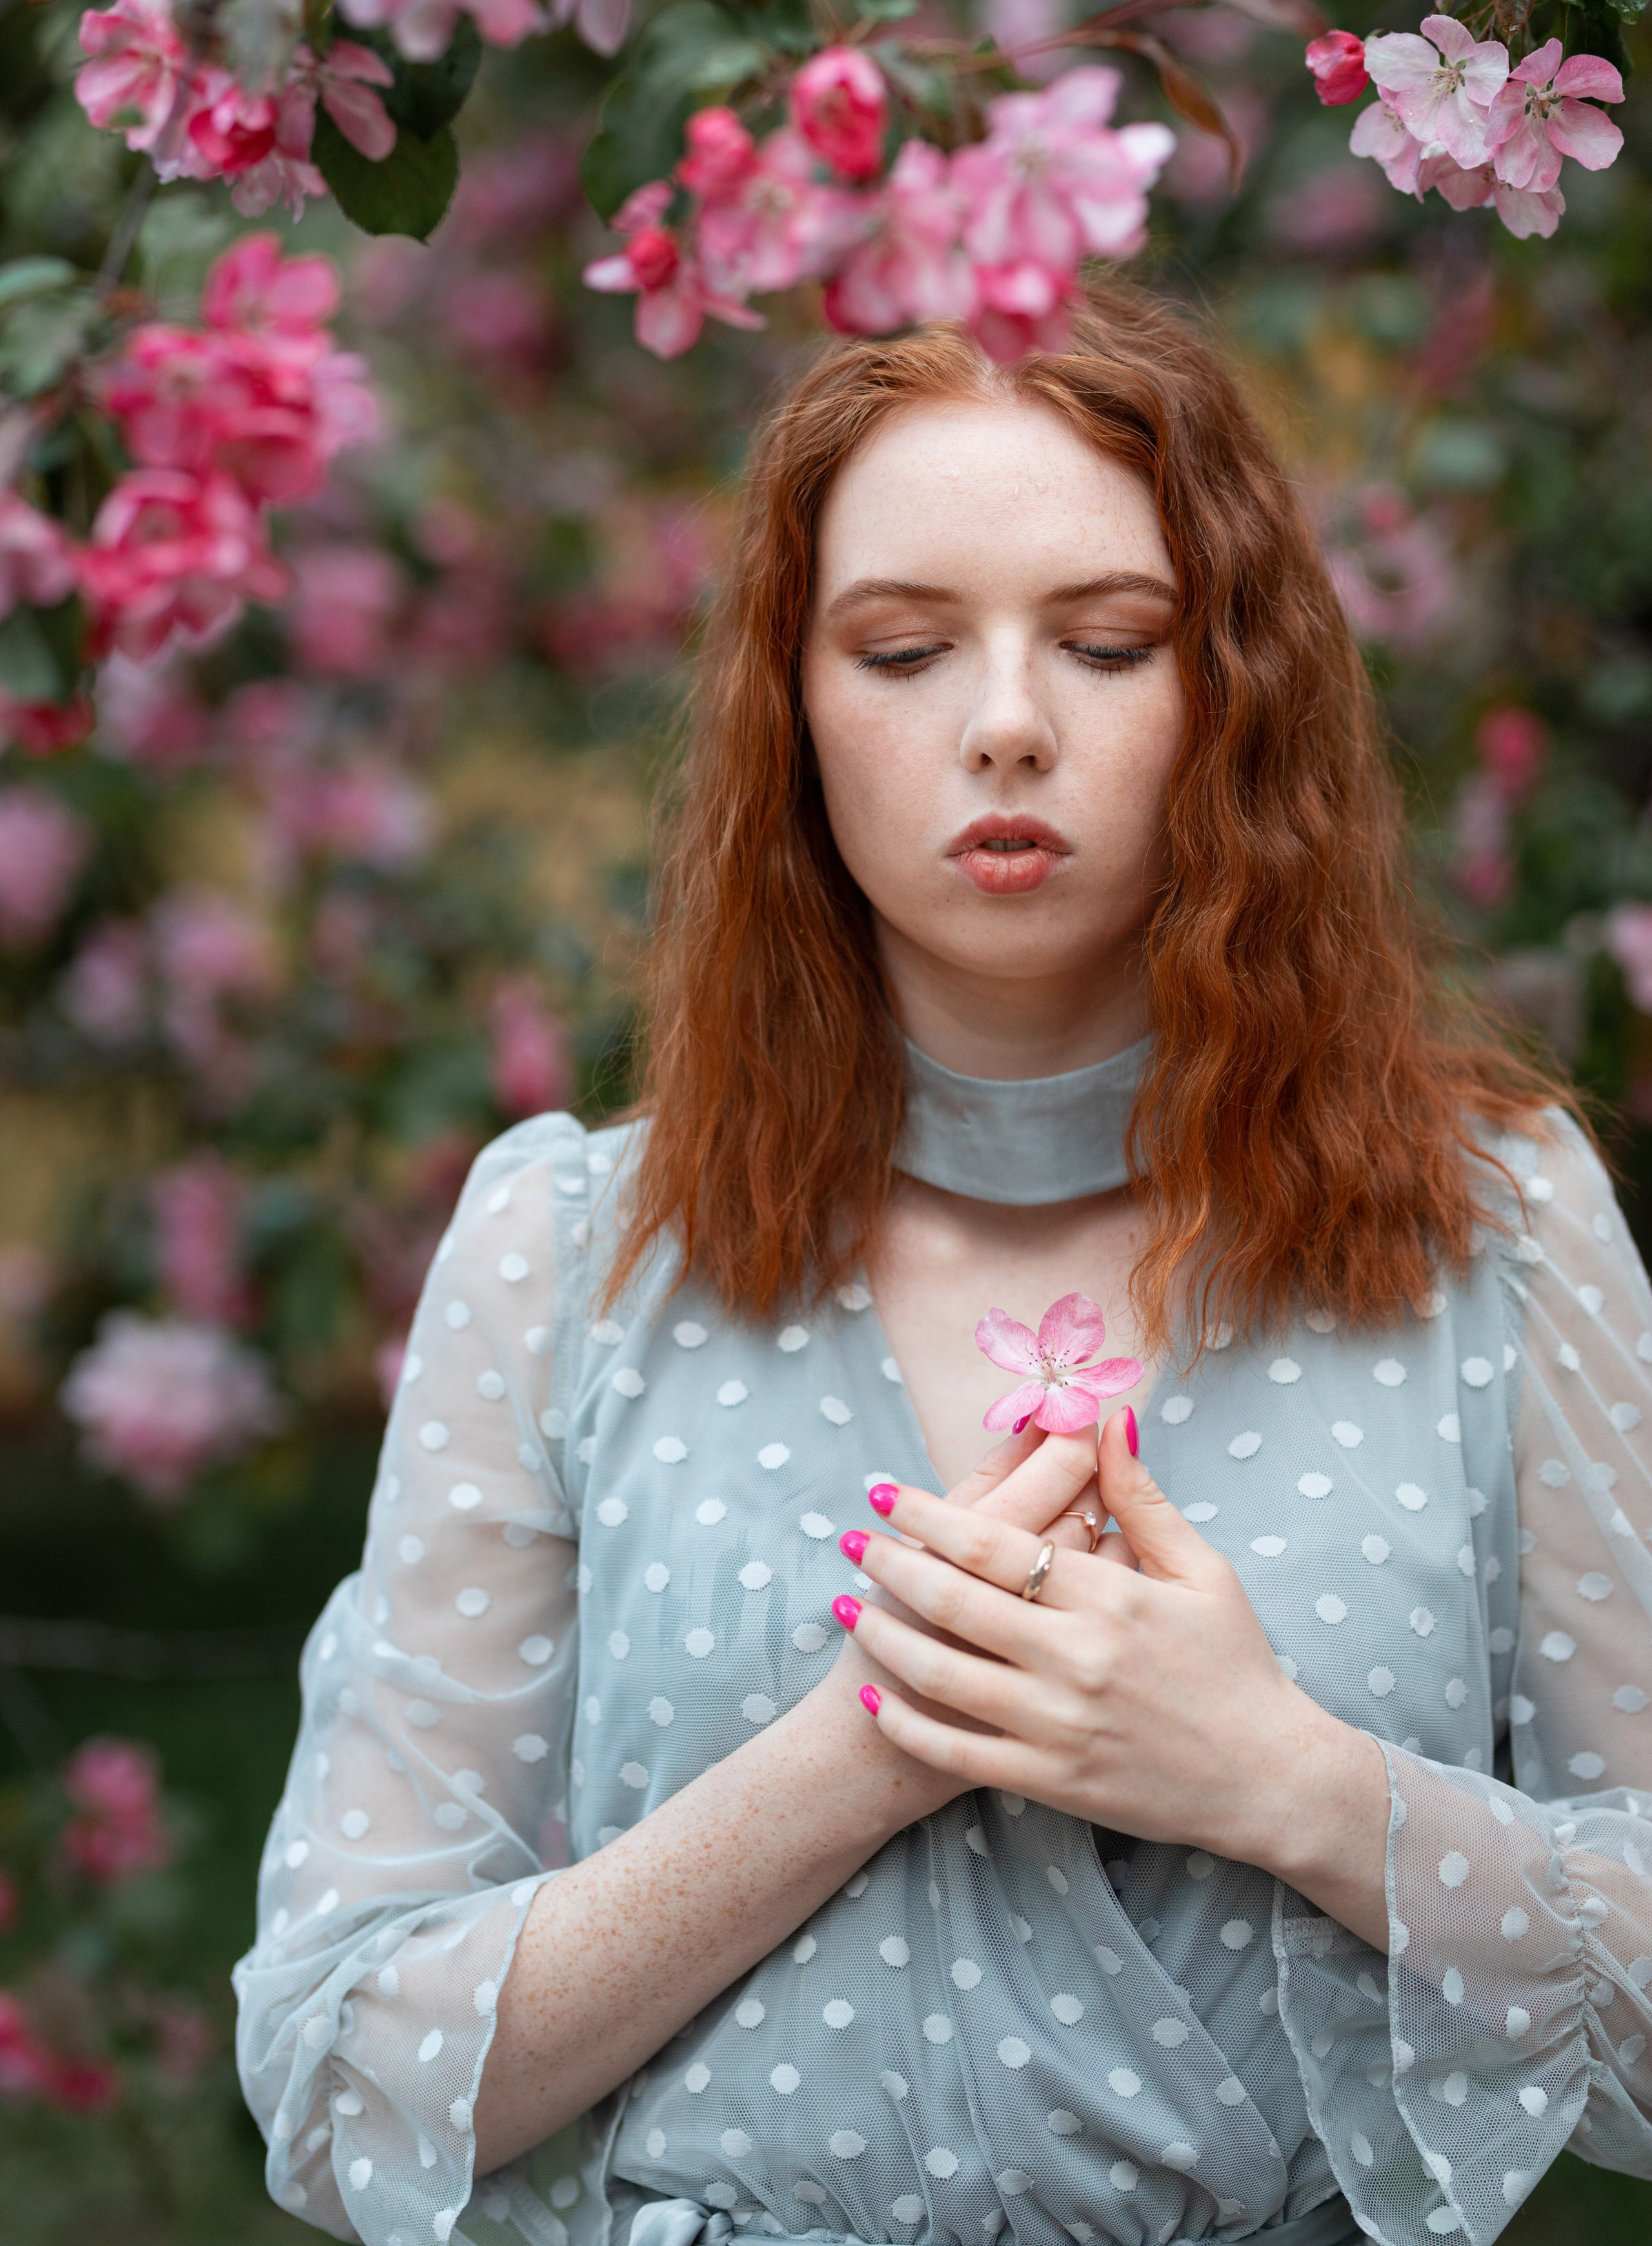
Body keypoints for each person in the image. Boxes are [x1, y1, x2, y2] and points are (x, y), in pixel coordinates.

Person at [236, 285, 1652, 2246]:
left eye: (1110, 642)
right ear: (795, 711)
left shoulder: (1497, 1227)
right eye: (903, 649)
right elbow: (337, 2083)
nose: (1005, 722)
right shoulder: (566, 1252)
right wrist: (856, 1753)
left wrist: (1293, 1785)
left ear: (1237, 694)